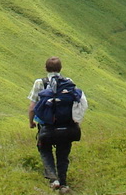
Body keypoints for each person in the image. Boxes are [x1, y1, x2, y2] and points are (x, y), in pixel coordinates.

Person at [27, 56, 87, 192]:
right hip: (67, 126)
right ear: (60, 68)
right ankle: (64, 183)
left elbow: (32, 107)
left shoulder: (40, 83)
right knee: (63, 154)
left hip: (47, 127)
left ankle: (53, 179)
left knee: (44, 149)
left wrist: (31, 122)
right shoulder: (68, 82)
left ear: (45, 68)